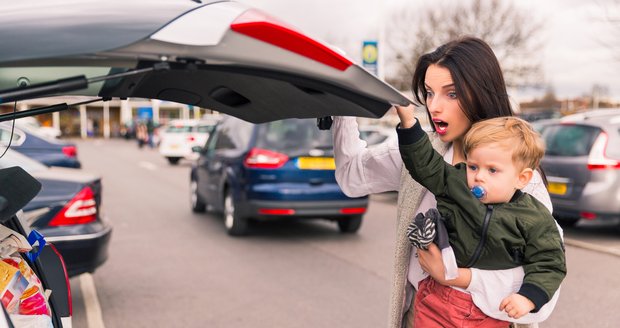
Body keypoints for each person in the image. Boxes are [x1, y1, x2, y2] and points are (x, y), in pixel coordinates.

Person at [332, 36, 563, 328]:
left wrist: (454, 276)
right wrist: (340, 102)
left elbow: (544, 287)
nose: (434, 107)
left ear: (480, 94)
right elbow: (352, 176)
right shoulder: (422, 152)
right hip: (421, 314)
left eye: (451, 94)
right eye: (429, 93)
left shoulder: (521, 181)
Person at [398, 116, 566, 327]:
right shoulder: (457, 186)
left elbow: (550, 262)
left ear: (521, 178)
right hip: (437, 301)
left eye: (492, 170)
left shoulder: (535, 218)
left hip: (488, 311)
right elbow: (425, 165)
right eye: (473, 167)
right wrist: (408, 125)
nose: (479, 177)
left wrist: (528, 297)